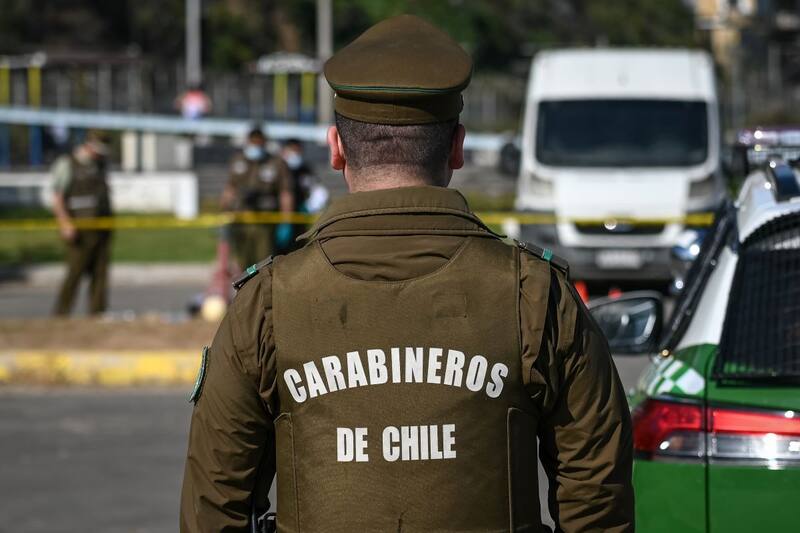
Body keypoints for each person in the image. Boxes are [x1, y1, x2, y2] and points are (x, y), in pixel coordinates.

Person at [181, 15, 634, 533]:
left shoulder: (268, 302)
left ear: (336, 148)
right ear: (457, 146)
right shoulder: (534, 293)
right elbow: (597, 496)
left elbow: (214, 503)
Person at [51, 130, 113, 316]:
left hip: (102, 226)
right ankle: (61, 314)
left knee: (100, 273)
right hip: (79, 228)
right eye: (98, 150)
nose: (100, 154)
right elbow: (57, 198)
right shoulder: (67, 164)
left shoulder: (100, 164)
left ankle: (97, 313)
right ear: (89, 145)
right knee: (74, 272)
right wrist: (65, 223)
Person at [220, 127, 294, 270]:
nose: (255, 146)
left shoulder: (276, 163)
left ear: (264, 142)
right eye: (253, 142)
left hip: (265, 220)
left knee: (263, 264)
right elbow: (230, 188)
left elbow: (285, 193)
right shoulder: (238, 160)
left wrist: (286, 220)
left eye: (258, 143)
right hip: (241, 219)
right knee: (242, 263)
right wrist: (223, 212)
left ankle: (262, 285)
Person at [277, 138, 327, 254]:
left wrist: (310, 206)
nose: (295, 154)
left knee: (299, 248)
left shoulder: (305, 170)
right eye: (292, 150)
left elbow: (316, 190)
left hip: (300, 216)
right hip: (278, 215)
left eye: (297, 151)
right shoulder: (278, 168)